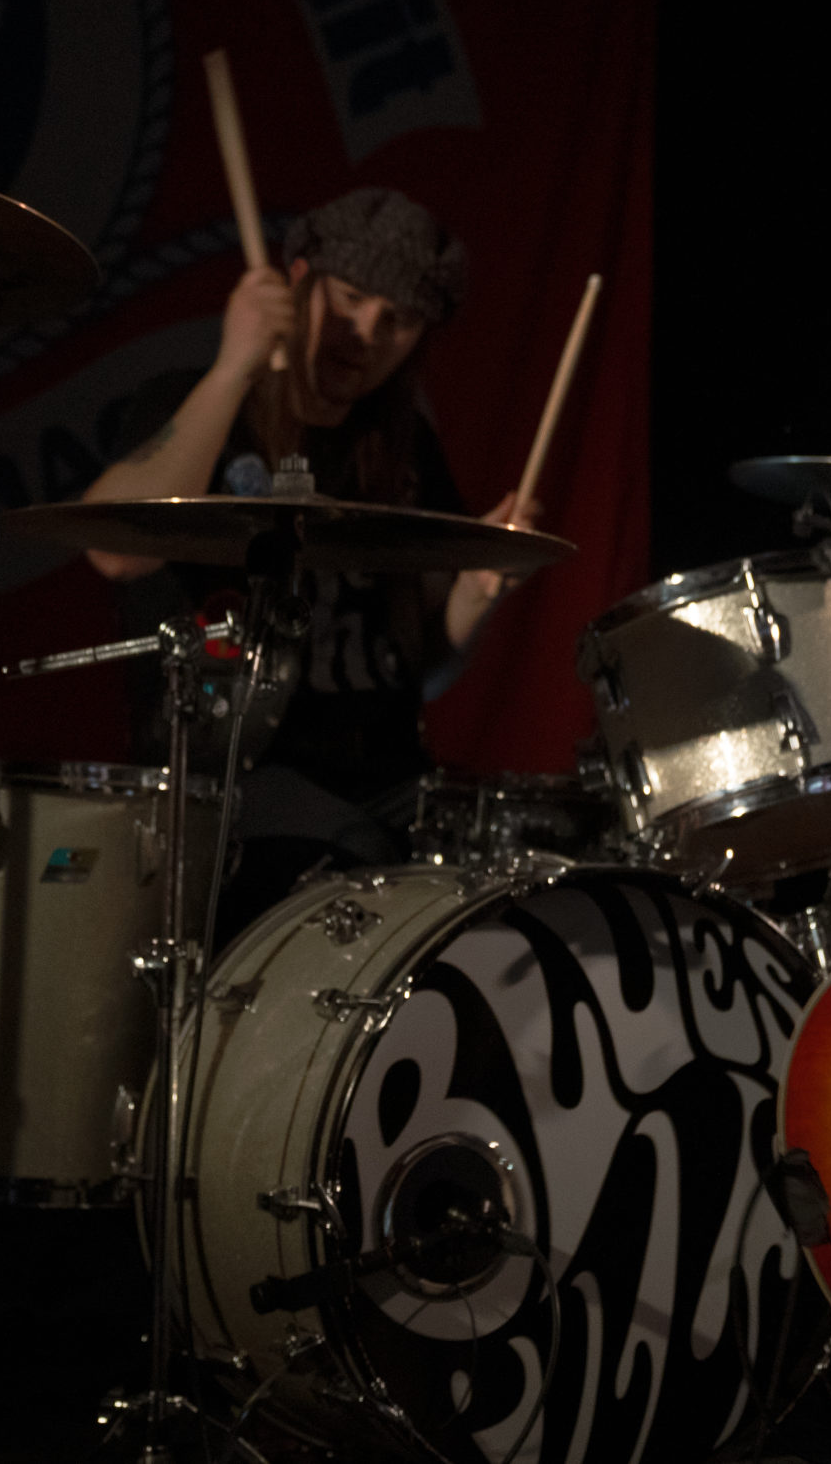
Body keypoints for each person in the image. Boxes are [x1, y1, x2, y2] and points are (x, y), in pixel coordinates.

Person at [82, 187, 526, 943]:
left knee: (514, 875)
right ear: (296, 280)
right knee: (357, 854)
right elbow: (115, 550)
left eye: (398, 320)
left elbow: (416, 670)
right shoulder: (197, 409)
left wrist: (475, 597)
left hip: (389, 785)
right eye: (350, 298)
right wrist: (234, 367)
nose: (366, 333)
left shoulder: (403, 450)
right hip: (234, 785)